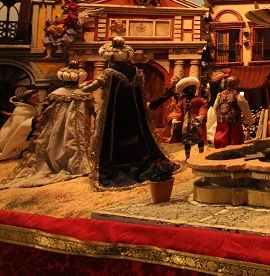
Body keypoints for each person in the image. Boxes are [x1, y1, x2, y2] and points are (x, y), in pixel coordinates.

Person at [80, 37, 172, 190]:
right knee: (136, 136)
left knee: (114, 138)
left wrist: (82, 86)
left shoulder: (110, 72)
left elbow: (91, 87)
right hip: (135, 113)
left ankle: (119, 166)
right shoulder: (135, 71)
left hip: (115, 113)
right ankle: (138, 163)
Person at [2, 63, 94, 187]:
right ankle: (76, 165)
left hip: (57, 126)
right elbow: (91, 110)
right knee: (73, 143)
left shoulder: (56, 93)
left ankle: (56, 162)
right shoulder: (83, 94)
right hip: (75, 126)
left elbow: (45, 109)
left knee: (55, 142)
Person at [168, 77, 208, 159]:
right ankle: (187, 156)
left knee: (199, 138)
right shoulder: (182, 101)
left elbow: (203, 107)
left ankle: (201, 154)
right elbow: (179, 111)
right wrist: (176, 119)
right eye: (190, 89)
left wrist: (201, 115)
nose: (192, 90)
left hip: (196, 122)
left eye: (193, 88)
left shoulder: (198, 100)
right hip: (186, 123)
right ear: (185, 91)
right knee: (186, 140)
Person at [0, 87, 40, 161]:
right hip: (19, 135)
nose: (38, 98)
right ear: (28, 99)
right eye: (34, 97)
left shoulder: (33, 107)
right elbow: (16, 127)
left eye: (38, 96)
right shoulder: (21, 109)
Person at [213, 76, 252, 149]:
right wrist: (250, 122)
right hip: (234, 125)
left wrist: (218, 118)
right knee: (234, 145)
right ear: (236, 85)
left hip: (222, 124)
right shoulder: (237, 96)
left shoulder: (220, 95)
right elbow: (246, 110)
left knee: (221, 144)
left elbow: (215, 108)